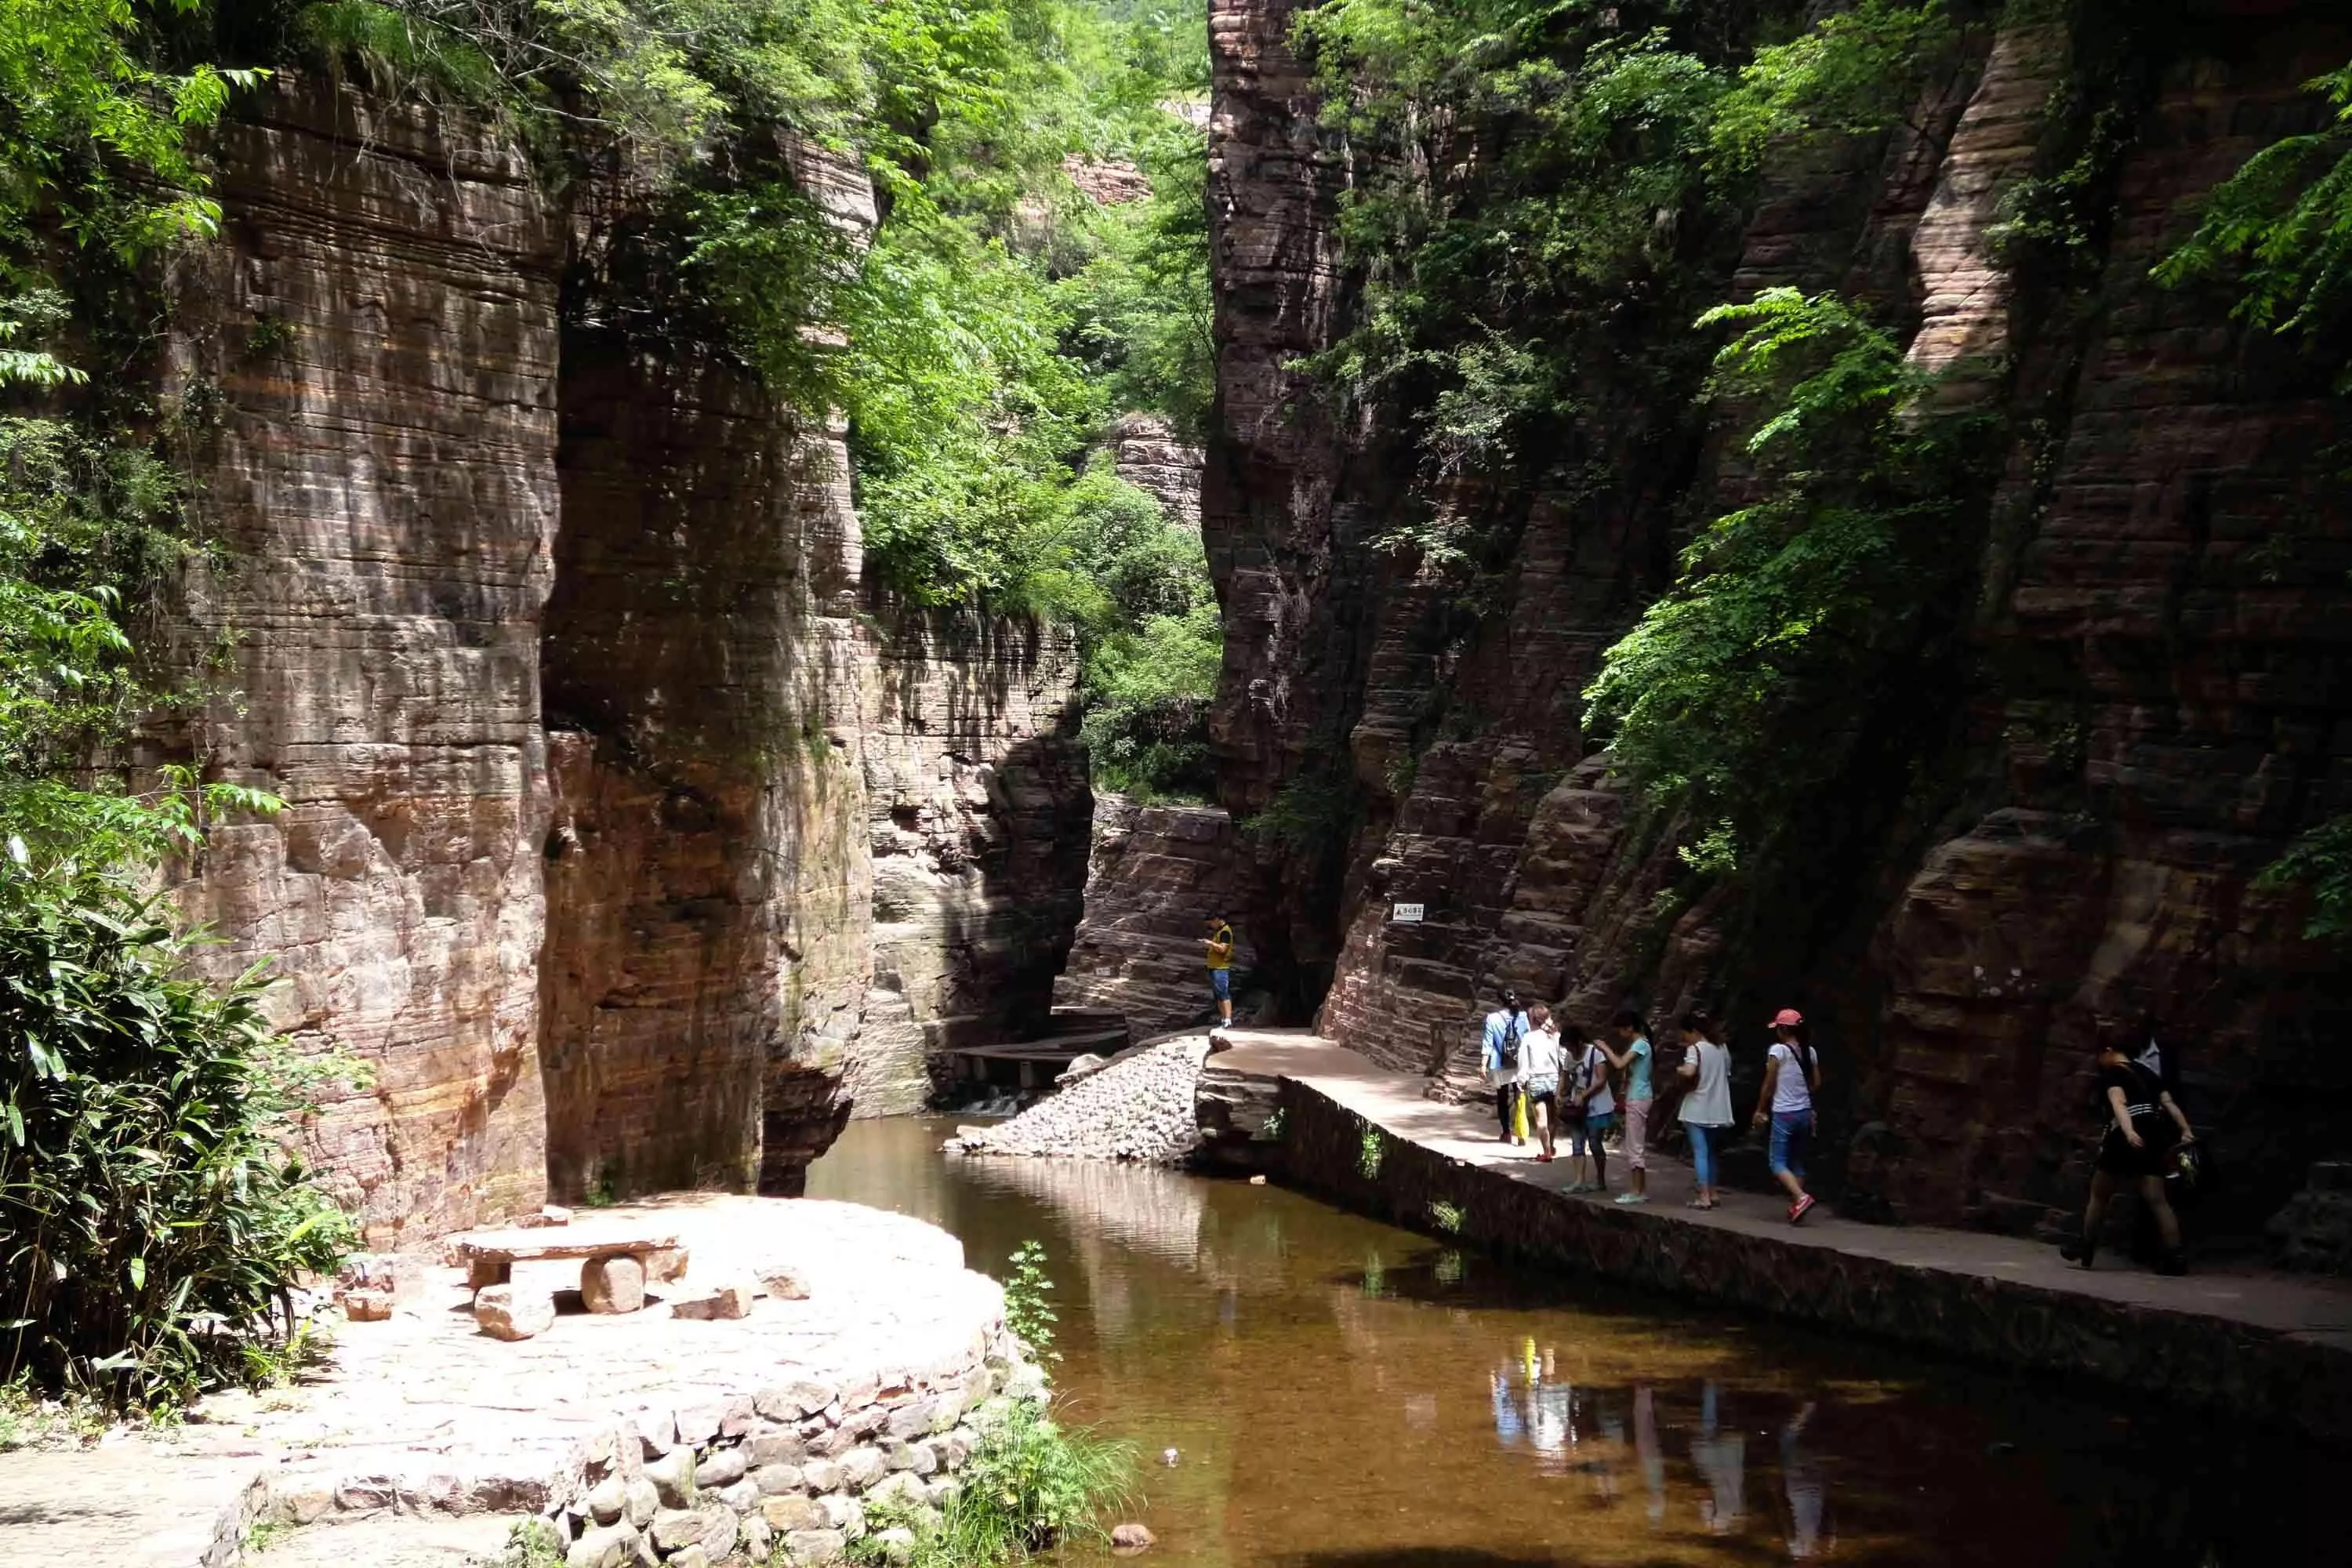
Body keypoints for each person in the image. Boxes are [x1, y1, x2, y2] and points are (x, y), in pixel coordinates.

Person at [2060, 1029, 2194, 1274]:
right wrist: (2185, 1130)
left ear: (2110, 1052)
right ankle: (2176, 1257)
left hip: (2124, 1136)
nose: (2099, 1061)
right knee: (2157, 1199)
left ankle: (2086, 1248)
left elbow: (2118, 1103)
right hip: (2155, 1135)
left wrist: (2129, 1131)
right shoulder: (2150, 1074)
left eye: (2100, 1055)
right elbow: (2169, 1104)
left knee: (2099, 1194)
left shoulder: (2113, 1074)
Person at [1752, 1008, 1820, 1224]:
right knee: (1798, 1162)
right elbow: (1816, 1083)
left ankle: (1801, 1197)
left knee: (1777, 1162)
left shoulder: (1778, 1051)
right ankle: (1797, 1207)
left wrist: (1760, 1109)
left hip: (1784, 1114)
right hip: (1805, 1114)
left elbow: (1769, 1084)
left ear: (1783, 1029)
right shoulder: (1810, 1052)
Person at [1595, 1009, 1656, 1205]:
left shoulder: (1640, 1044)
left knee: (1634, 1146)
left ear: (1629, 1028)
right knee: (1635, 1144)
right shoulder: (1643, 1043)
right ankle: (1640, 1190)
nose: (1619, 1034)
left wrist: (1605, 1048)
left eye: (1620, 1030)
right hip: (1640, 1096)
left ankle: (1637, 1192)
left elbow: (1620, 1063)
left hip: (1638, 1097)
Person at [1676, 1009, 1734, 1210]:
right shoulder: (1722, 1048)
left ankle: (1704, 1197)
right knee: (1710, 1153)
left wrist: (1680, 1069)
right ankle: (1714, 1192)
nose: (1683, 1037)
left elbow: (1690, 1071)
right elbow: (1726, 1073)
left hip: (1697, 1107)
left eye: (1685, 1033)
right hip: (1718, 1108)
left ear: (1693, 1031)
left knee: (1700, 1152)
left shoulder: (1695, 1049)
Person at [1569, 1024, 1617, 1193]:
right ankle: (1578, 1181)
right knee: (1577, 1143)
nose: (1569, 1051)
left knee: (1595, 1143)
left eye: (1571, 1046)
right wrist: (1561, 1093)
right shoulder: (1569, 1055)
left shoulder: (1596, 1054)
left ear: (1579, 1042)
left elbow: (1601, 1080)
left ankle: (1600, 1180)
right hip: (1578, 1107)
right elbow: (1565, 1074)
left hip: (1598, 1105)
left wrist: (1584, 1095)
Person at [1481, 989, 1530, 1145]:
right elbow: (1528, 1039)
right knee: (1520, 1097)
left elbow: (1488, 1043)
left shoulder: (1492, 1018)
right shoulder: (1522, 1016)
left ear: (1499, 1001)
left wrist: (1483, 1065)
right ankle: (1521, 1134)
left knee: (1502, 1098)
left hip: (1499, 1062)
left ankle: (1506, 1133)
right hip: (1520, 1061)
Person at [1521, 1004, 1566, 1163]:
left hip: (1537, 1080)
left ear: (1532, 1019)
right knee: (1554, 1119)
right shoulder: (1556, 1036)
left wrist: (1521, 1080)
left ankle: (1546, 1151)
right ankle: (1551, 1145)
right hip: (1554, 1080)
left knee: (1541, 1121)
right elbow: (1564, 1059)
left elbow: (1523, 1062)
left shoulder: (1528, 1037)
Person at [1203, 915, 1236, 1029]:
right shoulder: (1220, 931)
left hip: (1221, 968)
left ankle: (1228, 1019)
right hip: (1214, 967)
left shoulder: (1225, 932)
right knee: (1218, 995)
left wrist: (1210, 943)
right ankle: (1223, 1019)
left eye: (1211, 923)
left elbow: (1223, 949)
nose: (1211, 926)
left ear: (1217, 920)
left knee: (1223, 993)